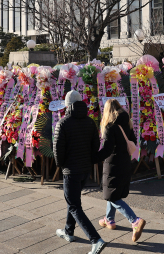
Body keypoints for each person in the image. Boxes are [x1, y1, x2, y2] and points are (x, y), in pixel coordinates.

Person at [53, 90, 107, 254]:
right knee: (74, 202)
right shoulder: (90, 122)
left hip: (71, 170)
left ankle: (95, 239)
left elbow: (58, 149)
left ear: (67, 105)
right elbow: (96, 145)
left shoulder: (63, 123)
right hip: (85, 169)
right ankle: (69, 231)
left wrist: (61, 165)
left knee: (74, 205)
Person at [95, 99, 146, 242]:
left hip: (113, 164)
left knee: (112, 195)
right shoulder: (127, 123)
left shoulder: (110, 127)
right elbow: (134, 141)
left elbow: (107, 149)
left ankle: (135, 220)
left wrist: (94, 157)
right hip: (125, 162)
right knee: (111, 191)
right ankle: (109, 220)